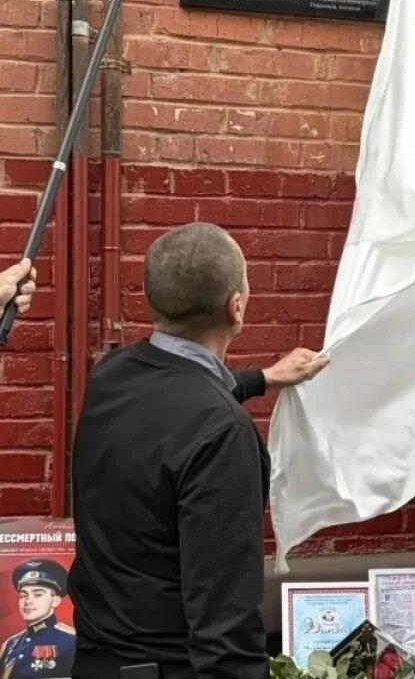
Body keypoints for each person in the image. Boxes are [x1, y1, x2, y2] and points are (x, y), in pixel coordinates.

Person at [69, 222, 329, 679]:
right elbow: (225, 628)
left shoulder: (111, 375)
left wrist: (263, 379)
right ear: (236, 306)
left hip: (94, 662)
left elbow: (179, 394)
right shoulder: (222, 433)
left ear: (152, 296)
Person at [0, 559, 75, 679]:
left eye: (38, 594)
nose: (28, 601)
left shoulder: (73, 641)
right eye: (23, 595)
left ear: (55, 601)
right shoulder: (10, 645)